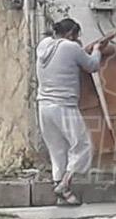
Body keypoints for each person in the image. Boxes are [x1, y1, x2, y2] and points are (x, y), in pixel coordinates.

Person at [36, 18, 108, 206]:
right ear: (70, 34)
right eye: (76, 36)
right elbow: (92, 65)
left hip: (44, 106)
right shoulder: (71, 47)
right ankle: (65, 183)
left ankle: (62, 194)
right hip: (64, 105)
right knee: (82, 145)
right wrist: (97, 50)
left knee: (57, 150)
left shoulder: (43, 45)